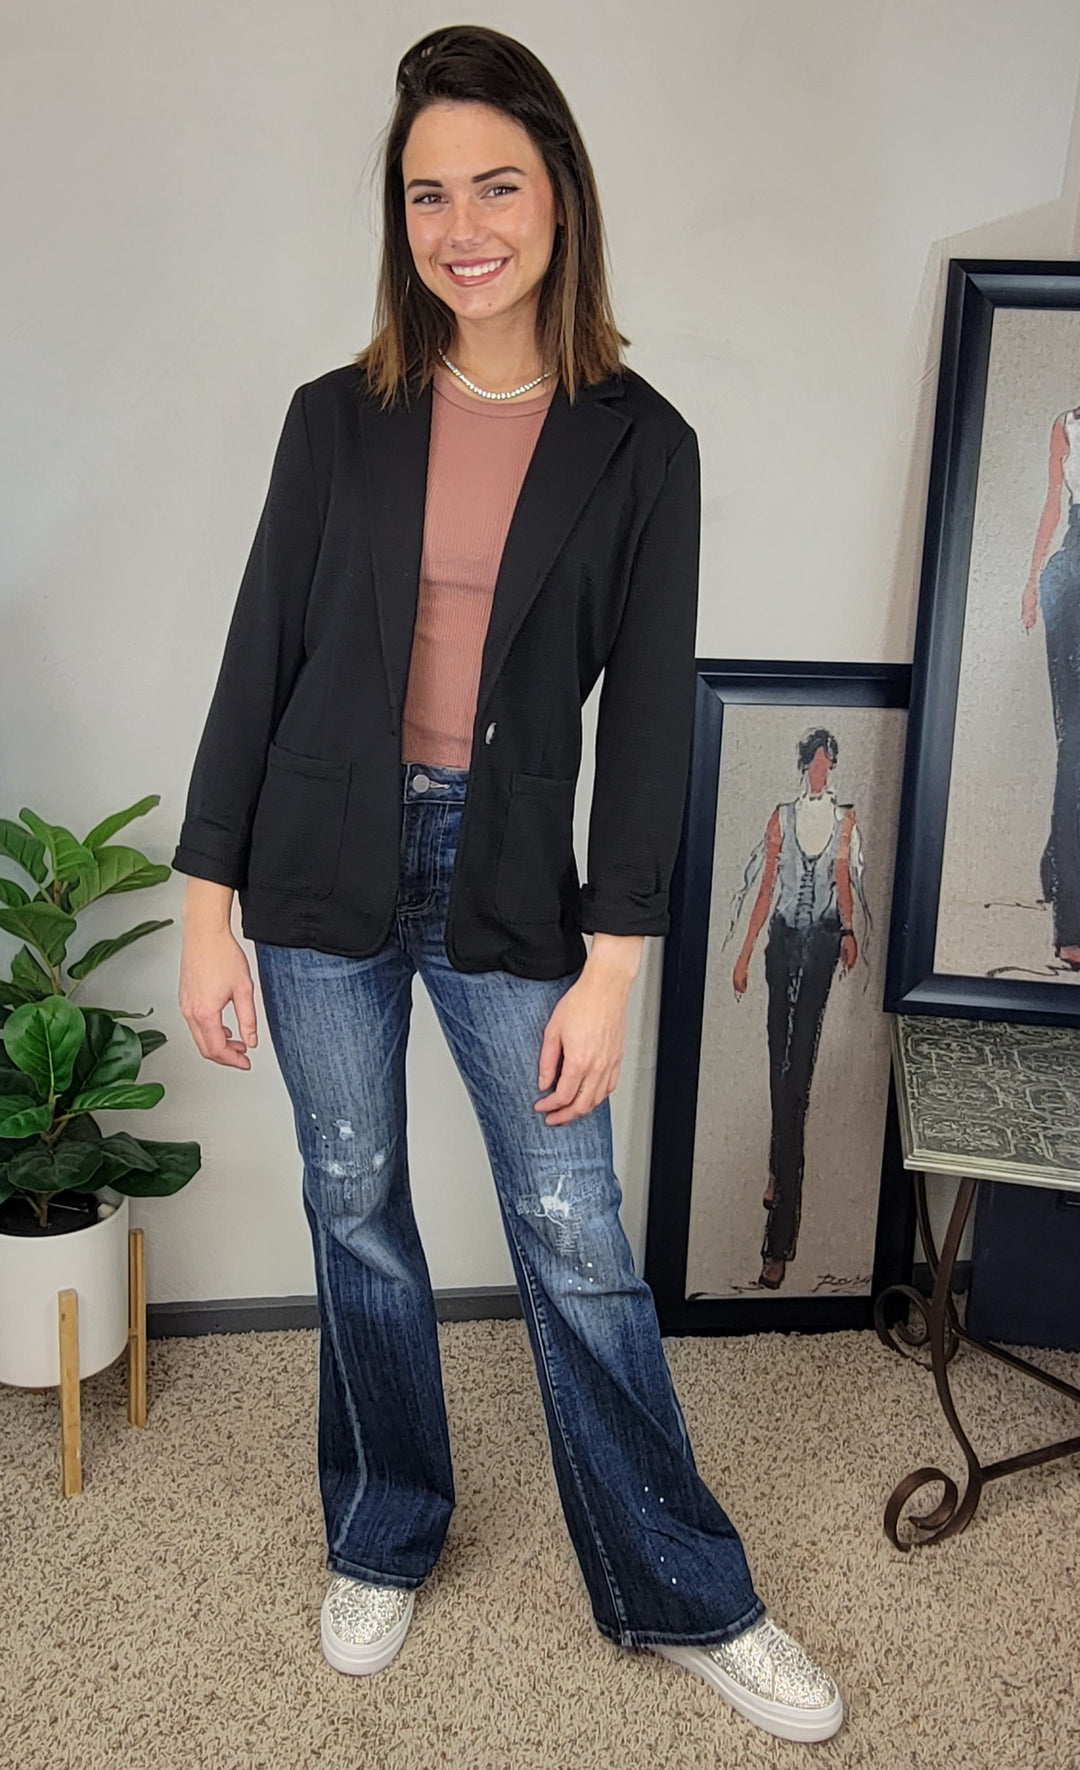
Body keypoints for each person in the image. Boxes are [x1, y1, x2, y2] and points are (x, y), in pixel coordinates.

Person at [172, 25, 843, 1746]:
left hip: (509, 879)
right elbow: (263, 657)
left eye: (497, 186)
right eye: (427, 195)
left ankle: (690, 1592)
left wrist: (616, 965)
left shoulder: (641, 444)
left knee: (573, 1237)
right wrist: (203, 906)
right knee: (355, 1208)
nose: (462, 225)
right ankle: (387, 1529)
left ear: (560, 200)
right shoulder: (340, 421)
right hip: (317, 867)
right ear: (398, 220)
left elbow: (649, 724)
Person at [731, 731, 862, 1291]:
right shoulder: (782, 816)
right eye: (814, 762)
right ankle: (775, 1167)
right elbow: (765, 888)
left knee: (798, 1082)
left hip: (824, 944)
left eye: (828, 764)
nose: (821, 771)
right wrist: (743, 952)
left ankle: (778, 1242)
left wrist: (851, 931)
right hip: (781, 946)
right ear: (802, 765)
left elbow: (842, 880)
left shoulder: (846, 819)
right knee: (776, 1067)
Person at [1022, 404, 1080, 969]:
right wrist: (1032, 581)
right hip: (1074, 573)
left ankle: (1053, 865)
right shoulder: (1066, 423)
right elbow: (1053, 503)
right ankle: (1072, 920)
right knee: (1076, 744)